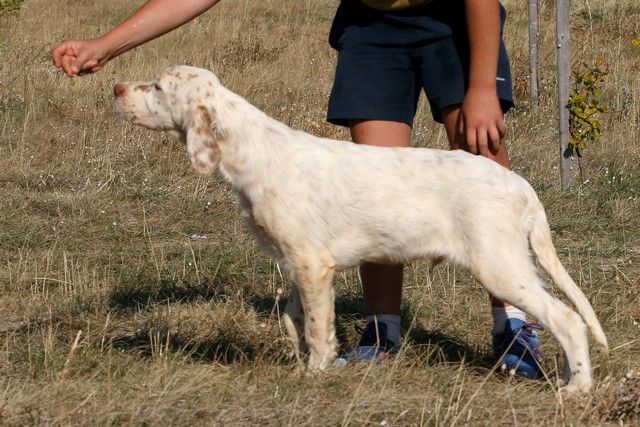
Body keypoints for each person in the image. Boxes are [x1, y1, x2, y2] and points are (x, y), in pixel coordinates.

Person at [52, 0, 544, 378]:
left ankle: (514, 325)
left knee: (481, 153)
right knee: (369, 183)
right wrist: (106, 45)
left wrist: (481, 86)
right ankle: (382, 331)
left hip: (455, 16)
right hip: (372, 27)